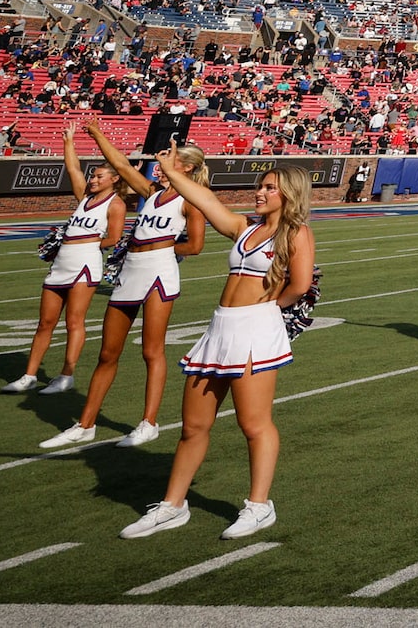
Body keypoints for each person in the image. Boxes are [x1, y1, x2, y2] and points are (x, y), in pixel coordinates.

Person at [114, 137, 315, 541]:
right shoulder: (244, 227)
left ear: (289, 195)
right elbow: (204, 200)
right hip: (220, 328)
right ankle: (173, 505)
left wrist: (266, 310)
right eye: (261, 185)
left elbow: (301, 284)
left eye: (269, 187)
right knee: (193, 424)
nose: (260, 191)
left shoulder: (298, 233)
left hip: (256, 330)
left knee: (253, 424)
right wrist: (170, 171)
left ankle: (259, 506)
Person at [42, 133, 205, 449]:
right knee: (107, 353)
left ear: (185, 167)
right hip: (130, 272)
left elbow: (196, 245)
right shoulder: (151, 191)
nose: (159, 165)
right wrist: (95, 131)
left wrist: (162, 248)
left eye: (168, 160)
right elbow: (119, 162)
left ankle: (149, 423)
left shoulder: (193, 199)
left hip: (160, 274)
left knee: (151, 350)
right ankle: (85, 424)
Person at [10, 123, 120, 396]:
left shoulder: (114, 204)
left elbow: (114, 239)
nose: (93, 180)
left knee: (74, 322)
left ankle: (66, 375)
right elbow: (72, 169)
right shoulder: (84, 197)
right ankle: (29, 375)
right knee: (45, 322)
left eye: (99, 176)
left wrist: (88, 243)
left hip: (85, 264)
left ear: (114, 179)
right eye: (93, 176)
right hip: (62, 262)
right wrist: (69, 140)